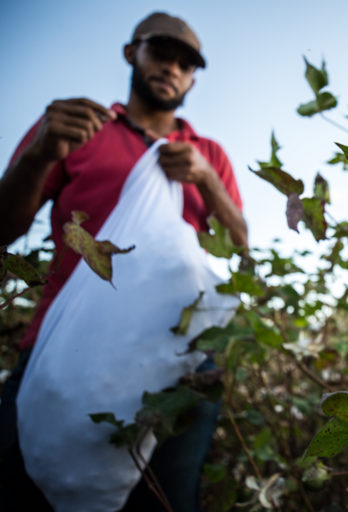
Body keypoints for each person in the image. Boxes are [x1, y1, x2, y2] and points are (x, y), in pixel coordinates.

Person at [0, 12, 247, 511]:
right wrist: (39, 154)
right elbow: (5, 228)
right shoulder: (76, 128)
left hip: (179, 359)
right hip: (63, 345)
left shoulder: (208, 154)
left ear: (194, 77)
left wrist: (207, 180)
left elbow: (240, 248)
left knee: (165, 501)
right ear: (131, 52)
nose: (172, 68)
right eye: (161, 53)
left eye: (187, 63)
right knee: (19, 489)